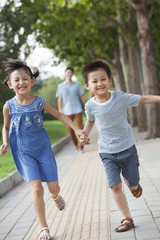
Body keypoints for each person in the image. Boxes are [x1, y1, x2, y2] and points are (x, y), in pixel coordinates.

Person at [0, 59, 88, 240]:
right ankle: (44, 228)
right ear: (10, 84)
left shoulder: (40, 102)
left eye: (25, 78)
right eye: (16, 80)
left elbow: (61, 115)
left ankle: (55, 196)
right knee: (37, 188)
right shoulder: (8, 106)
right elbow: (6, 127)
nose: (21, 82)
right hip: (24, 152)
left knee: (53, 188)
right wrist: (5, 142)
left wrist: (78, 129)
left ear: (32, 81)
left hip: (43, 150)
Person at [81, 60, 160, 232]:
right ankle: (127, 218)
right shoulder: (90, 105)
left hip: (127, 147)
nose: (99, 83)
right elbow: (90, 121)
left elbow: (144, 98)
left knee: (134, 183)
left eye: (103, 79)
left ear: (110, 80)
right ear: (87, 85)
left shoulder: (121, 98)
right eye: (94, 81)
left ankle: (133, 184)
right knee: (114, 186)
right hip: (107, 152)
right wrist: (84, 133)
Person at [56, 67, 86, 153]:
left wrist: (86, 107)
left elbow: (82, 97)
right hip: (66, 111)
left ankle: (80, 147)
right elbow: (59, 99)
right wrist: (60, 111)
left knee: (80, 127)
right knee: (70, 129)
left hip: (77, 109)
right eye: (67, 72)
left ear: (72, 74)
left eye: (71, 73)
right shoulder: (60, 86)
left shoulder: (77, 85)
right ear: (65, 74)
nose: (69, 74)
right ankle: (76, 145)